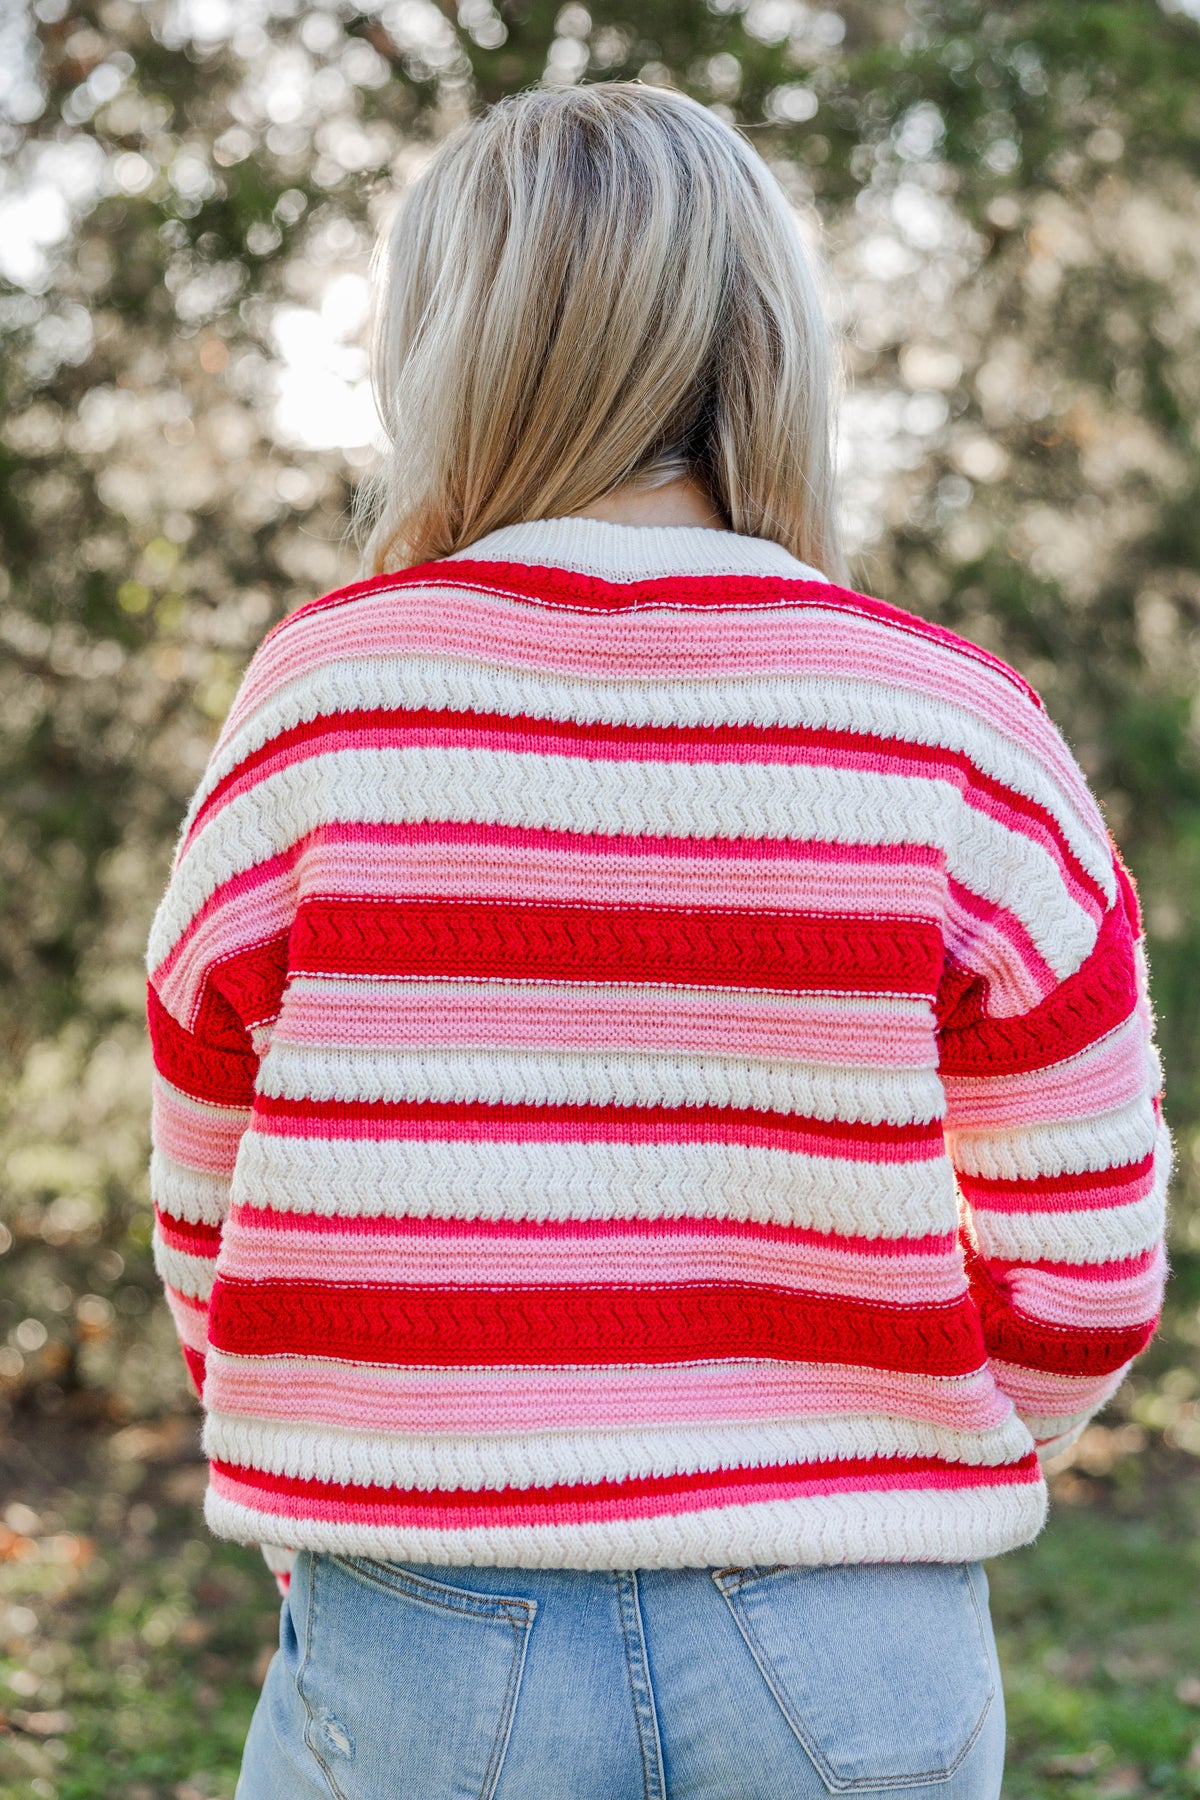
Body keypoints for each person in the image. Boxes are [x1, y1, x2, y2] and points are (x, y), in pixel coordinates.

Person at [145, 82, 1170, 1800]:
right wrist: (896, 1436)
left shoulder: (324, 705)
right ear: (772, 343)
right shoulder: (948, 725)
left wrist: (348, 1453)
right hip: (855, 1619)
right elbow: (1093, 1262)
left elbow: (209, 1204)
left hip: (426, 1599)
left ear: (442, 348)